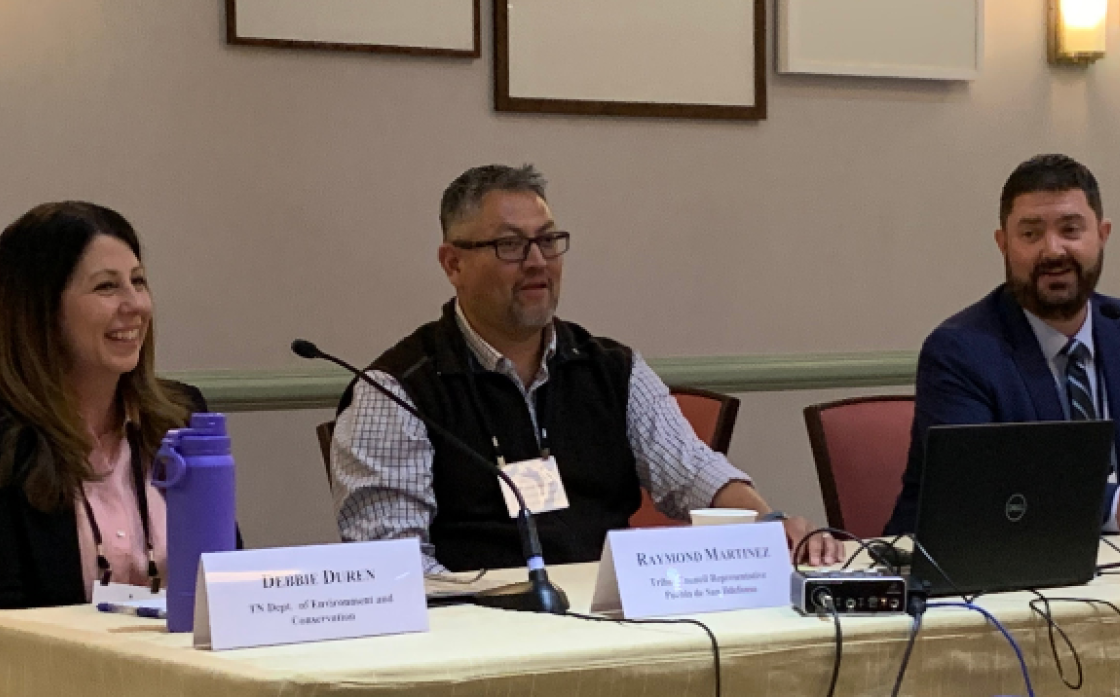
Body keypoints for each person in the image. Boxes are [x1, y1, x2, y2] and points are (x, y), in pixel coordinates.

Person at [331, 164, 842, 573]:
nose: (537, 261)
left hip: (613, 617)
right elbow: (393, 568)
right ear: (453, 264)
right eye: (510, 246)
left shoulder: (610, 368)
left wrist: (767, 521)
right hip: (479, 637)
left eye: (548, 241)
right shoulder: (398, 389)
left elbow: (692, 472)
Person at [885, 154, 1120, 536]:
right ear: (1003, 244)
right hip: (985, 576)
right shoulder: (961, 350)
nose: (1053, 251)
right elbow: (979, 492)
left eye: (1070, 230)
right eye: (1031, 234)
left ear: (1102, 235)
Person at [0, 202, 203, 697]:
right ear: (40, 309)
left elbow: (220, 583)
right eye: (106, 286)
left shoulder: (180, 417)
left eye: (138, 282)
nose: (135, 304)